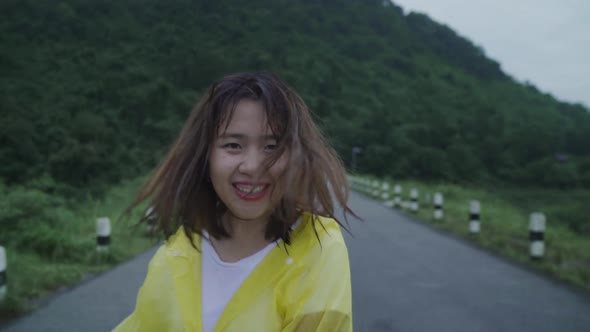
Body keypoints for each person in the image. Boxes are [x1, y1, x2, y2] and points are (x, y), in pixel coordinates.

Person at [113, 72, 357, 332]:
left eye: (272, 146)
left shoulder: (320, 250)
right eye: (233, 145)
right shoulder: (179, 249)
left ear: (297, 155)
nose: (252, 167)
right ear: (205, 156)